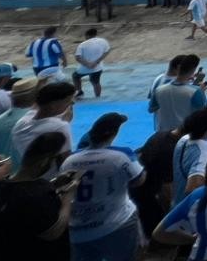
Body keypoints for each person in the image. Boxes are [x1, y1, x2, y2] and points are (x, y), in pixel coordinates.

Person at [62, 112, 145, 261]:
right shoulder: (121, 155)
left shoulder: (70, 160)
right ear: (113, 134)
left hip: (78, 228)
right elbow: (139, 180)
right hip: (115, 223)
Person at [0, 130, 78, 261]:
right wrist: (68, 196)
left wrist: (53, 184)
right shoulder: (37, 196)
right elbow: (53, 231)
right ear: (44, 162)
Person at [71, 27, 111, 99]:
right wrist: (97, 61)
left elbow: (77, 57)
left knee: (75, 76)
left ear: (87, 35)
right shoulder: (103, 41)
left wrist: (88, 64)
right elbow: (107, 51)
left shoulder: (82, 44)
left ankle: (79, 92)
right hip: (98, 67)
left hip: (85, 68)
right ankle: (98, 97)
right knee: (96, 82)